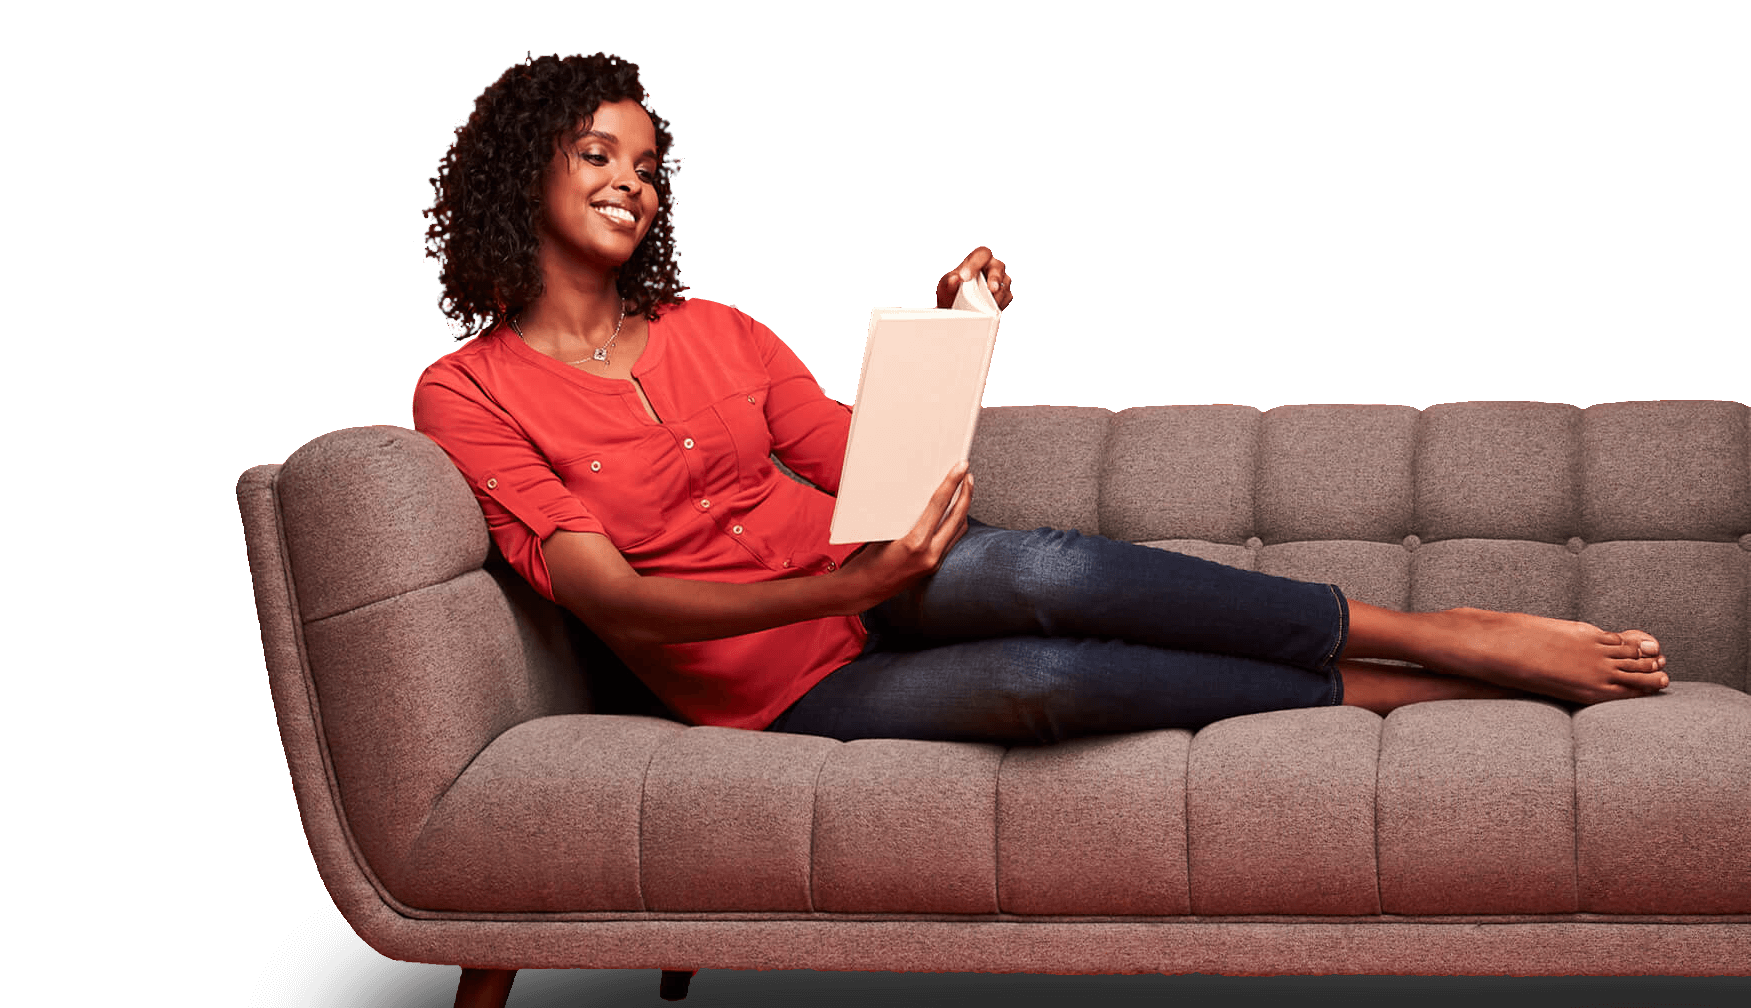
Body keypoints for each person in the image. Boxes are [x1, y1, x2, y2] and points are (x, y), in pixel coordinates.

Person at [412, 54, 1668, 745]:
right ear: (525, 171)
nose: (632, 182)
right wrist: (844, 591)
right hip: (775, 679)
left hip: (872, 567)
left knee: (1049, 572)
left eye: (643, 163)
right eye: (596, 155)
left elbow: (871, 465)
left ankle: (1440, 629)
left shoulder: (711, 328)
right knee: (1041, 681)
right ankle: (1412, 688)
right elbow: (610, 598)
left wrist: (957, 338)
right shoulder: (463, 391)